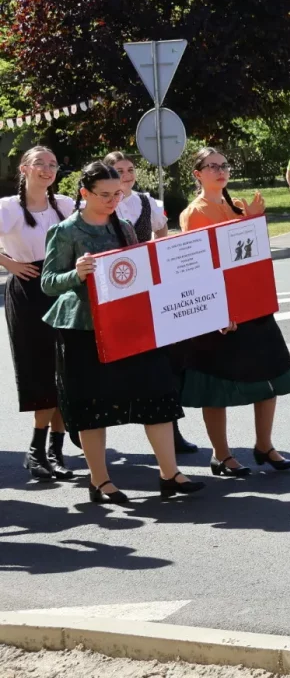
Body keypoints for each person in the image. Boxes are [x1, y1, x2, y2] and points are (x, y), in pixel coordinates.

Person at [40, 161, 204, 503]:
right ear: (84, 193)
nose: (114, 200)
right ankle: (99, 481)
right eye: (105, 195)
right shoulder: (66, 231)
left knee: (156, 393)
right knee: (91, 404)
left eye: (118, 194)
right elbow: (48, 283)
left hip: (129, 323)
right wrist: (76, 273)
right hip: (83, 328)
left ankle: (170, 473)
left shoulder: (125, 226)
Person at [179, 148, 290, 478]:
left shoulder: (237, 207)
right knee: (215, 385)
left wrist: (254, 221)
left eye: (224, 165)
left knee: (271, 373)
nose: (221, 170)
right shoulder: (194, 213)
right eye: (212, 166)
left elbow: (252, 258)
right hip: (221, 311)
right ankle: (221, 455)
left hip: (252, 306)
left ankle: (264, 445)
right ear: (198, 174)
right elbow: (200, 267)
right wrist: (218, 310)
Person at [102, 150, 199, 456]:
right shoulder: (99, 206)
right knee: (111, 365)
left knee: (165, 363)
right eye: (119, 170)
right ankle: (89, 427)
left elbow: (161, 234)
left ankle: (172, 430)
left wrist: (160, 257)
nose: (127, 175)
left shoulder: (146, 203)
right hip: (112, 295)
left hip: (148, 292)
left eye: (130, 169)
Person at [1, 146, 75, 481]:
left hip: (63, 288)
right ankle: (36, 451)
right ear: (24, 169)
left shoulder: (65, 205)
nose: (47, 169)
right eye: (40, 164)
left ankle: (56, 451)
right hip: (29, 291)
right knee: (40, 369)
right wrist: (9, 263)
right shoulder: (8, 208)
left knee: (66, 370)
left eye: (53, 164)